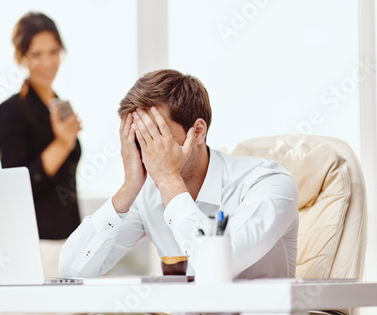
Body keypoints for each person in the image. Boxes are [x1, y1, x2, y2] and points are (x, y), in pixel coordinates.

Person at [59, 69, 299, 279]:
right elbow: (72, 271)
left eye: (156, 137)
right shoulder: (147, 195)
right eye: (138, 139)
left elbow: (215, 268)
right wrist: (129, 187)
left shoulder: (267, 183)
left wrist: (168, 180)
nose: (148, 153)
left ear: (197, 131)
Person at [0, 12, 81, 278]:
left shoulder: (59, 105)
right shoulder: (10, 112)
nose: (48, 62)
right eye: (36, 54)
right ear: (21, 57)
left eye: (54, 52)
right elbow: (19, 185)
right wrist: (64, 142)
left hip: (72, 241)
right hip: (38, 246)